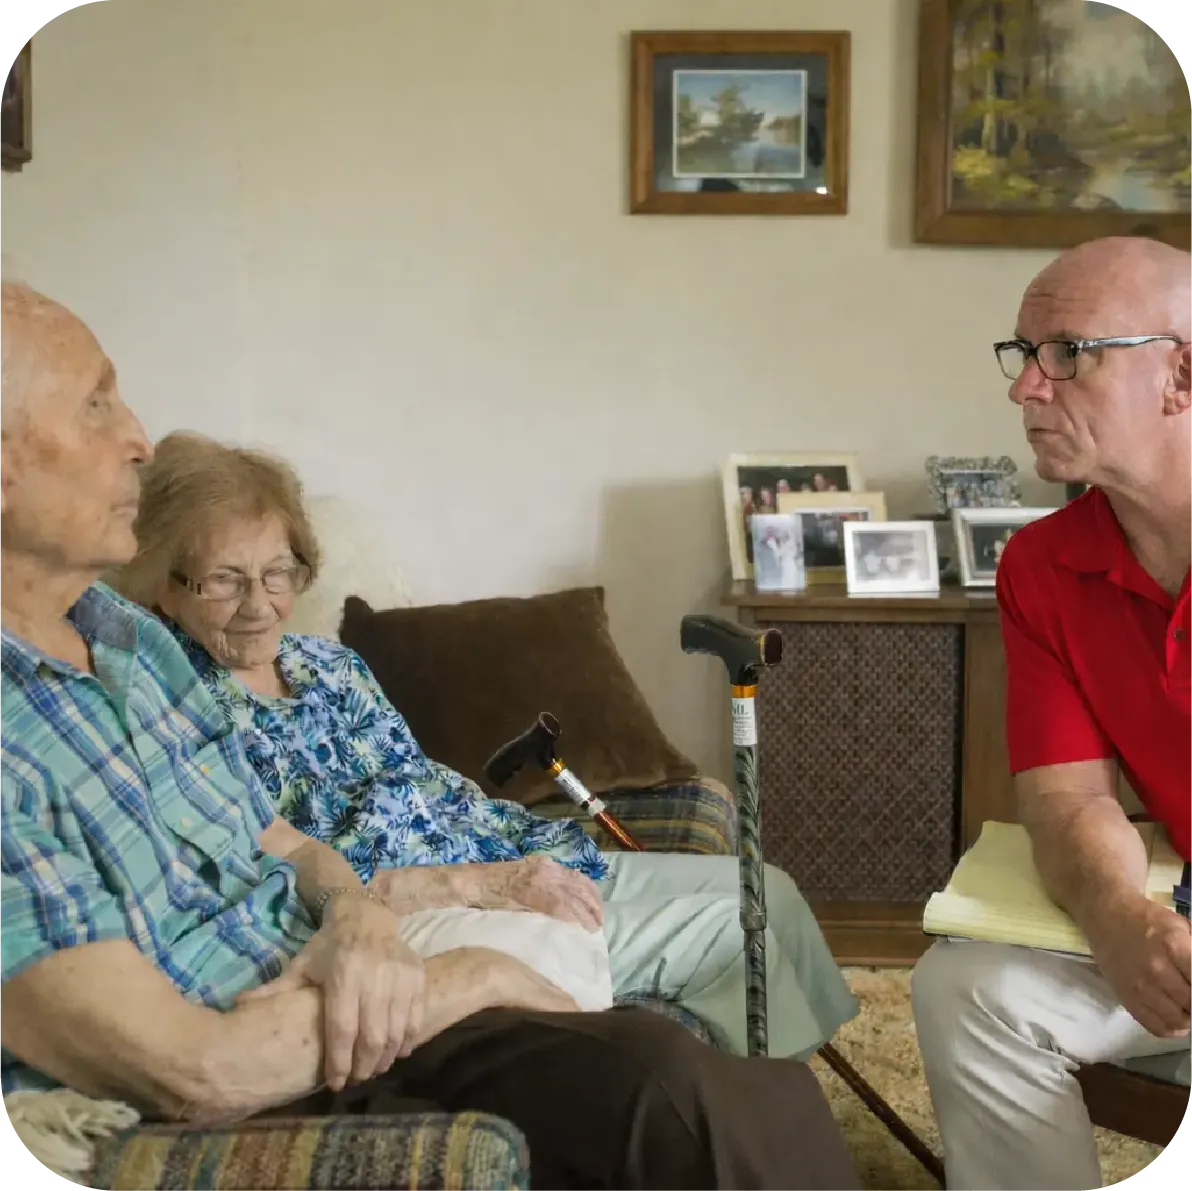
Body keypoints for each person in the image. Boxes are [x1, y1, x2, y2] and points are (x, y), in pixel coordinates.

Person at [0, 280, 863, 1191]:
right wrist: (472, 970)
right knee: (675, 1096)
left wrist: (353, 916)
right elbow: (194, 1068)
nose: (137, 436)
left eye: (277, 572)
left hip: (351, 970)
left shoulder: (125, 641)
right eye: (95, 404)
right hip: (291, 1055)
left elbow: (280, 840)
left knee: (738, 1092)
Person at [110, 430, 859, 1067]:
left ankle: (785, 1093)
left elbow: (420, 782)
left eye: (278, 572)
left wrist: (519, 862)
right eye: (225, 580)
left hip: (514, 855)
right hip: (437, 913)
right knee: (742, 930)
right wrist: (482, 884)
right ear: (161, 584)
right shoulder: (180, 708)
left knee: (770, 893)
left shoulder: (328, 665)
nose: (260, 603)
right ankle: (753, 1108)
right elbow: (279, 883)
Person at [910, 235, 1192, 1191]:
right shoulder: (1040, 566)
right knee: (968, 988)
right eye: (1025, 354)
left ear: (1181, 373)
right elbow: (1069, 799)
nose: (1025, 387)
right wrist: (1120, 918)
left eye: (1068, 353)